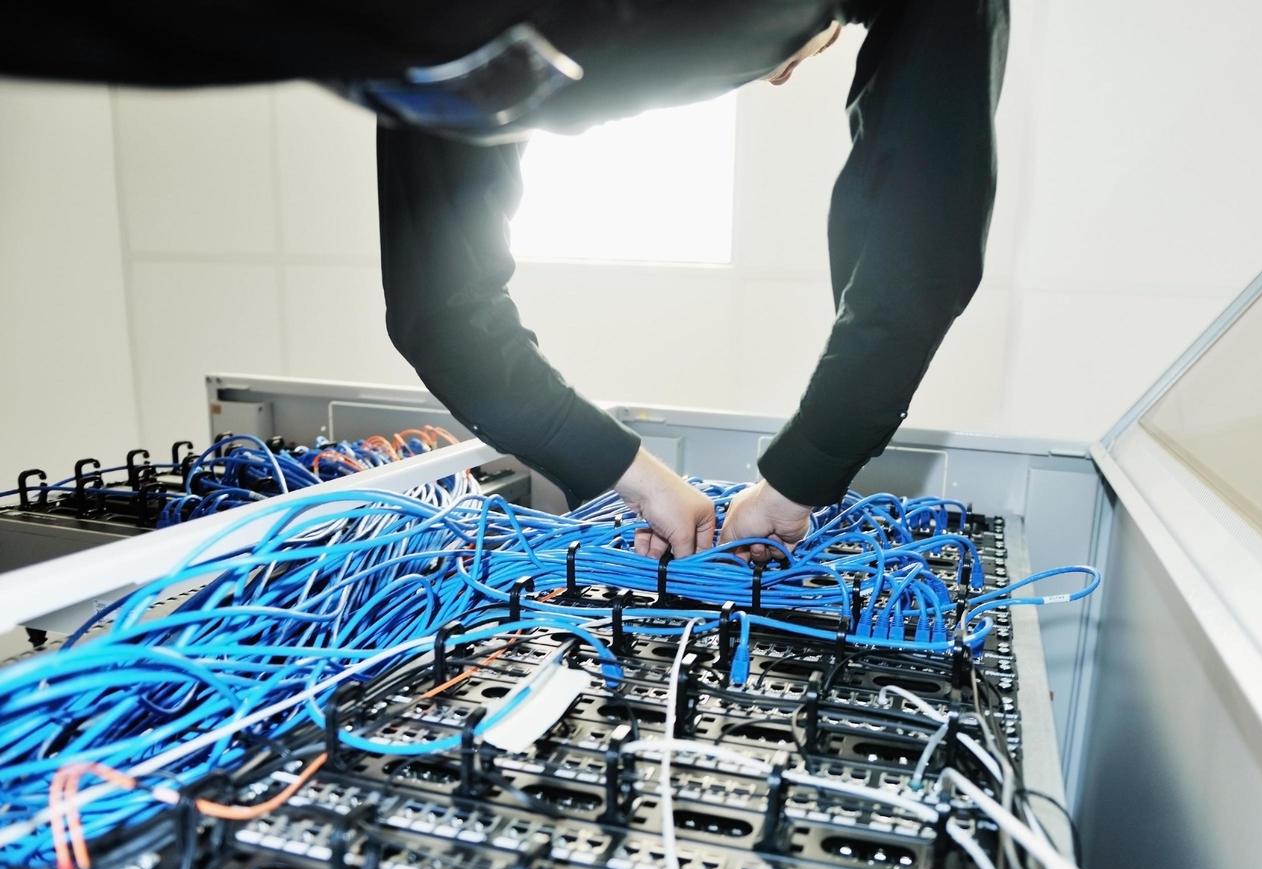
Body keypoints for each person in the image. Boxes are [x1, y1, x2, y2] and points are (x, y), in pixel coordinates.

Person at [4, 0, 1008, 560]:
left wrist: (634, 474)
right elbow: (918, 239)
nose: (780, 74)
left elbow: (443, 311)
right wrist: (800, 475)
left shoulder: (479, 74)